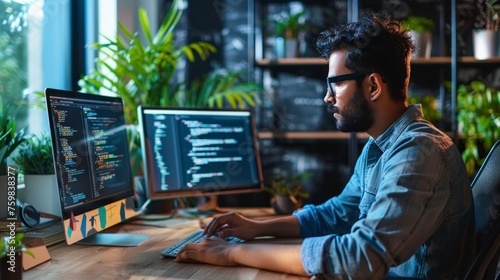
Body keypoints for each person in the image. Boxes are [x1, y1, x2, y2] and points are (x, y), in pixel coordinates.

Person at [175, 12, 475, 279]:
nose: (327, 97)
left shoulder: (419, 152)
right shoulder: (381, 146)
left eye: (336, 83)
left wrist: (229, 254)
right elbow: (338, 214)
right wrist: (256, 227)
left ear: (372, 86)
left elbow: (360, 258)